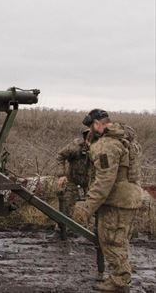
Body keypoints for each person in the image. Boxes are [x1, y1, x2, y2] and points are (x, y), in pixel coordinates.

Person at [72, 109, 143, 292]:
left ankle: (119, 282)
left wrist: (87, 207)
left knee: (111, 240)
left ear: (97, 124)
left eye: (90, 127)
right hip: (128, 198)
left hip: (116, 201)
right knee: (119, 239)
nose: (90, 131)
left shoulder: (107, 145)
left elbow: (104, 182)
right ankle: (121, 275)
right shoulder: (124, 140)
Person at [54, 129, 91, 239]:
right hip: (73, 180)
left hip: (92, 182)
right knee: (66, 205)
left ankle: (91, 234)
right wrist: (61, 175)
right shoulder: (76, 147)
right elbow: (60, 156)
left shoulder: (102, 147)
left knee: (95, 207)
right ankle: (61, 231)